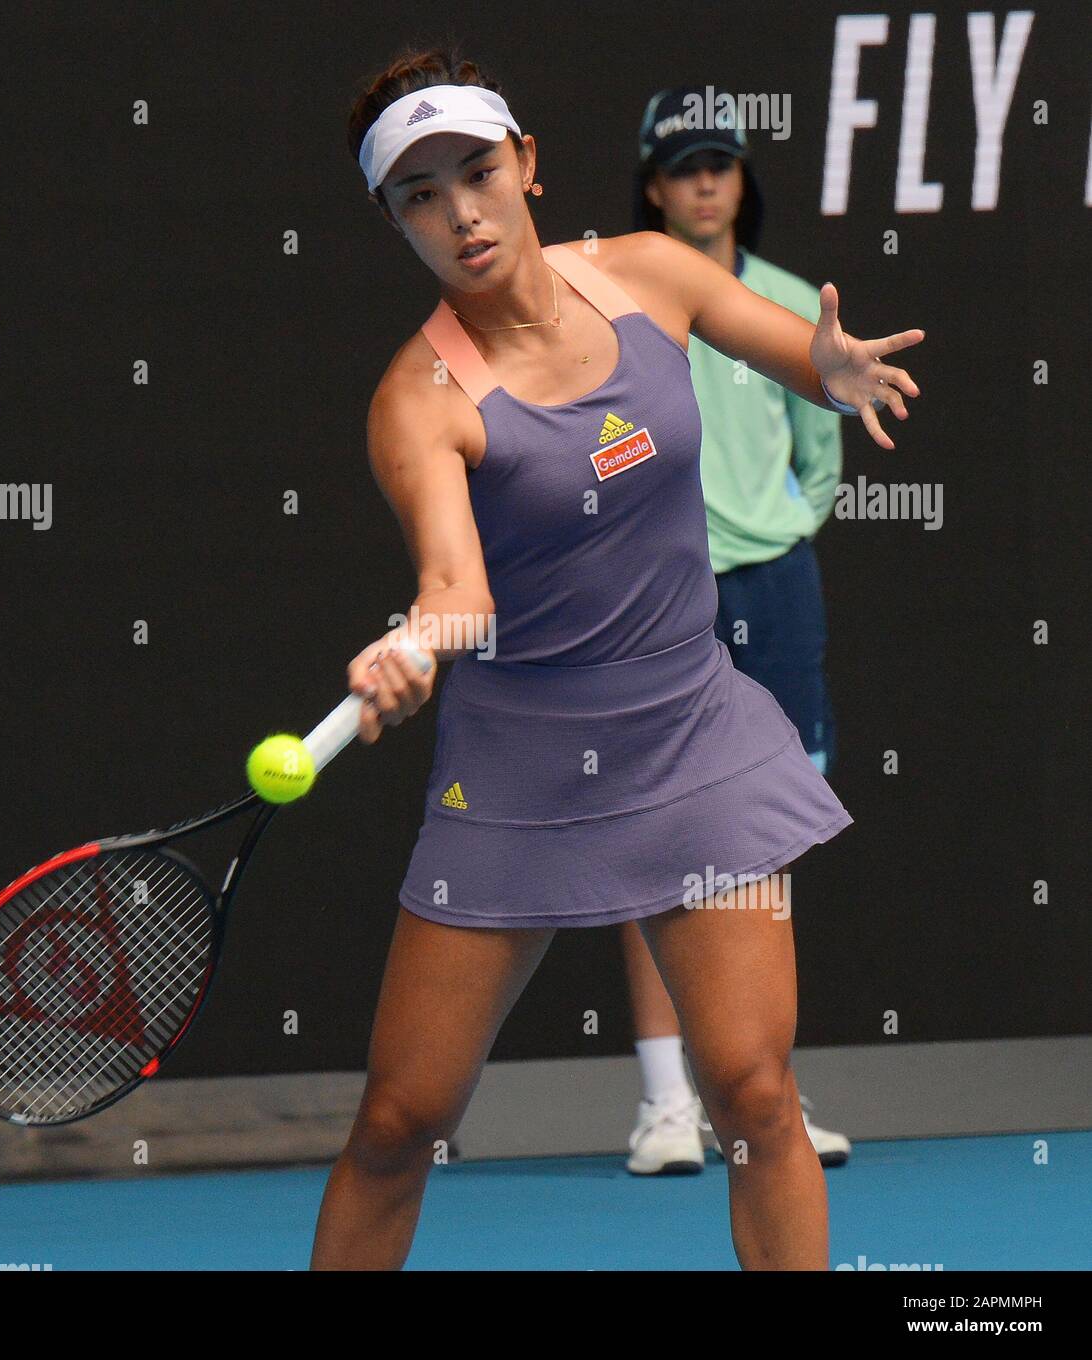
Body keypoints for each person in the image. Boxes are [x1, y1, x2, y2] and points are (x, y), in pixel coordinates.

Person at [313, 48, 921, 1271]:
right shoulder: (418, 398)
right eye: (420, 194)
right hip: (516, 778)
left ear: (527, 164)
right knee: (398, 1121)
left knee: (755, 1095)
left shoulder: (646, 272)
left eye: (477, 172)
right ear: (392, 218)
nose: (461, 213)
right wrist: (409, 646)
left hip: (693, 738)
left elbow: (784, 345)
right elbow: (454, 587)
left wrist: (835, 367)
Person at [621, 87, 852, 1176]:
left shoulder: (796, 302)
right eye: (683, 165)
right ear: (653, 186)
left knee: (761, 841)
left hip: (775, 591)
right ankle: (668, 1103)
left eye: (720, 162)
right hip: (661, 605)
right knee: (655, 842)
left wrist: (772, 535)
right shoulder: (620, 307)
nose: (704, 182)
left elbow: (821, 462)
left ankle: (765, 1099)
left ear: (740, 179)